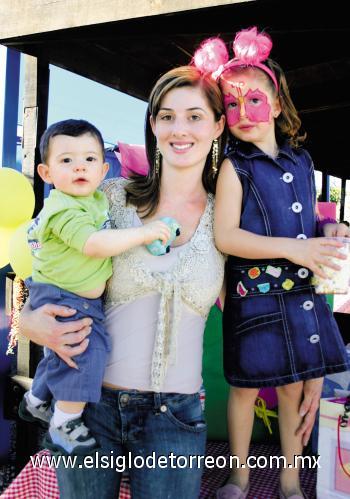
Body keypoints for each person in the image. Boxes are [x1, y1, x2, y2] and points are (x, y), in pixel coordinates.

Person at [18, 66, 226, 498]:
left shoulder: (229, 214)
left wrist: (333, 234)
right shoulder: (109, 197)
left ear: (218, 125)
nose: (179, 129)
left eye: (194, 115)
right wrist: (29, 320)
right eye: (166, 116)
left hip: (176, 416)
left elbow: (274, 290)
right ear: (152, 124)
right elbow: (44, 259)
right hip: (88, 407)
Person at [194, 27, 350, 499]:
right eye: (232, 104)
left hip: (301, 296)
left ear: (278, 105)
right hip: (253, 298)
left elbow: (307, 221)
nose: (244, 113)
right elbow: (227, 235)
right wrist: (294, 249)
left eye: (255, 100)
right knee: (243, 390)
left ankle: (287, 476)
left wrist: (327, 232)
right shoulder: (232, 167)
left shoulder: (302, 161)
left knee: (290, 389)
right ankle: (239, 474)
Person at [19, 119, 171, 455]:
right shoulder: (62, 208)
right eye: (66, 160)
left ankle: (37, 398)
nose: (79, 167)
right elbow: (92, 243)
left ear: (104, 169)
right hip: (65, 296)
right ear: (46, 174)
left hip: (69, 294)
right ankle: (63, 425)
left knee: (62, 353)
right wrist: (145, 234)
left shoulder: (97, 198)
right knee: (86, 355)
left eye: (89, 159)